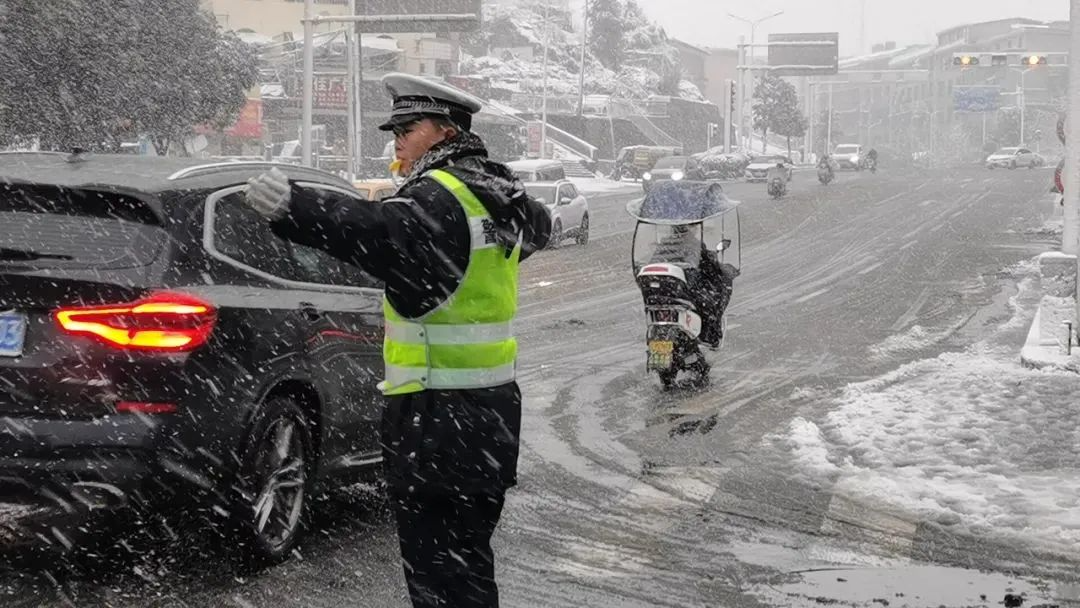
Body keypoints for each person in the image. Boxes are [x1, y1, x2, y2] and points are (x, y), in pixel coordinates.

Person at [243, 73, 552, 608]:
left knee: (438, 573)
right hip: (491, 415)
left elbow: (374, 229)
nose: (397, 140)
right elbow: (538, 228)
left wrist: (294, 206)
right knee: (467, 563)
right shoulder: (499, 193)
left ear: (443, 130)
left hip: (438, 417)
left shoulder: (440, 197)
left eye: (408, 128)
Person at [649, 224, 737, 348]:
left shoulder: (664, 244)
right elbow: (709, 264)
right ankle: (709, 337)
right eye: (693, 226)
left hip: (663, 292)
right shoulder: (693, 244)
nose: (695, 228)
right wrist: (722, 268)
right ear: (689, 228)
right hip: (684, 290)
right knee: (710, 305)